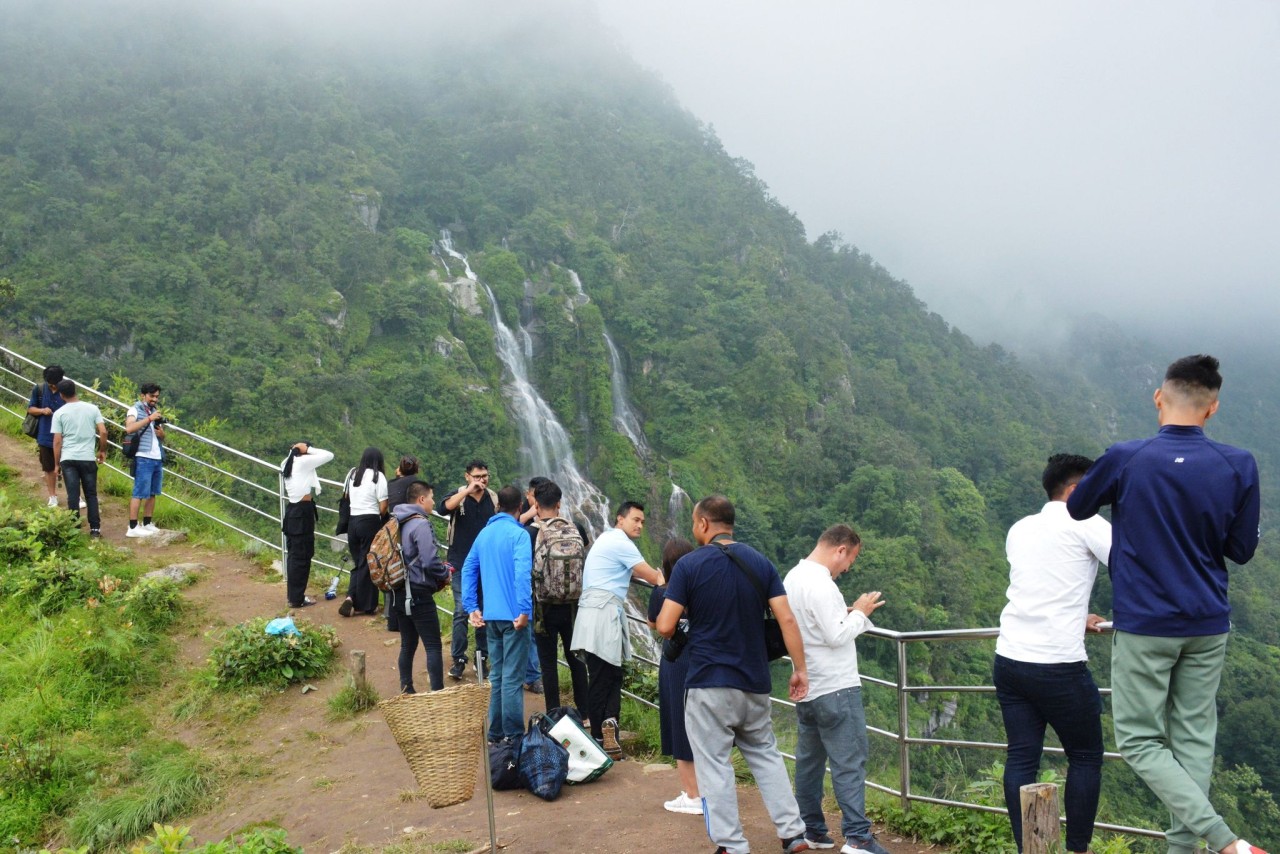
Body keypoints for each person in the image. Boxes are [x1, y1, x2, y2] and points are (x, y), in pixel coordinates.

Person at [1068, 354, 1264, 854]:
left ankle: (1224, 841)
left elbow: (1077, 506)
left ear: (1159, 397)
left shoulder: (1127, 456)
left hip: (1145, 624)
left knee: (1138, 741)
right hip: (1207, 622)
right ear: (1212, 408)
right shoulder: (1238, 464)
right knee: (1195, 740)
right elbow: (1241, 551)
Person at [655, 495, 811, 854]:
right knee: (766, 756)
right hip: (754, 683)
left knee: (714, 764)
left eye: (695, 524)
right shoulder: (761, 562)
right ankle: (792, 834)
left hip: (709, 683)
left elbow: (665, 625)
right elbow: (786, 619)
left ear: (704, 524)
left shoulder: (689, 566)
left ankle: (732, 845)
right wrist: (799, 670)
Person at [995, 454, 1111, 854]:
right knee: (1085, 756)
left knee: (1022, 758)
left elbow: (1042, 583)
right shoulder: (1087, 521)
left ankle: (1032, 848)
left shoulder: (1020, 528)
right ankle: (1077, 849)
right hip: (1058, 664)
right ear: (1077, 490)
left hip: (1010, 659)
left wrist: (1075, 615)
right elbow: (1135, 565)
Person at [785, 525, 890, 854]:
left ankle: (812, 830)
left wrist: (843, 614)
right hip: (837, 688)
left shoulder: (792, 578)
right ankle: (858, 837)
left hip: (808, 686)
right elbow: (836, 636)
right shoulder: (823, 585)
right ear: (840, 550)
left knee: (809, 762)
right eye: (850, 560)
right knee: (849, 762)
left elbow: (808, 623)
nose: (848, 568)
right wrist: (860, 612)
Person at [571, 500, 663, 758]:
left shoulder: (605, 539)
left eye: (643, 521)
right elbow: (653, 577)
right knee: (604, 678)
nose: (640, 525)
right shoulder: (622, 543)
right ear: (620, 520)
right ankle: (602, 734)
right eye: (636, 519)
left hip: (592, 613)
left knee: (608, 675)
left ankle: (608, 729)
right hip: (603, 615)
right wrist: (668, 580)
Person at [461, 485, 533, 743]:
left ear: (497, 506)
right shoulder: (519, 535)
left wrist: (472, 607)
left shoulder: (484, 534)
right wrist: (525, 610)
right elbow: (523, 573)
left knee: (498, 675)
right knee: (513, 678)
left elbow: (467, 569)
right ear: (520, 508)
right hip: (516, 618)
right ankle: (513, 736)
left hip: (491, 616)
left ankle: (495, 734)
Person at [646, 537, 701, 816]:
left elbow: (655, 624)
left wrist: (659, 587)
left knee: (680, 726)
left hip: (677, 661)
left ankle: (693, 796)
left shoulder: (663, 593)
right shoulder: (702, 589)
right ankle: (707, 792)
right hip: (705, 660)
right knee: (704, 726)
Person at [529, 480, 589, 714]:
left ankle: (553, 714)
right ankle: (584, 714)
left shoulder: (532, 532)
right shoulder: (577, 528)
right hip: (573, 605)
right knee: (577, 660)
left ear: (535, 503)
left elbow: (529, 571)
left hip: (544, 607)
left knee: (548, 662)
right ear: (559, 504)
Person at [438, 459, 499, 680]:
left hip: (487, 564)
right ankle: (458, 659)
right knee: (462, 611)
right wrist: (466, 492)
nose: (482, 480)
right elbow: (442, 508)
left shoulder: (493, 498)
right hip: (461, 562)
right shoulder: (458, 496)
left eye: (485, 476)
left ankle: (481, 658)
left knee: (484, 611)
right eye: (477, 476)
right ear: (467, 476)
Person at [392, 480, 450, 694]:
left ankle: (407, 689)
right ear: (421, 499)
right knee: (433, 646)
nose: (434, 502)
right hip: (418, 592)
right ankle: (438, 694)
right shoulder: (420, 524)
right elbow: (429, 561)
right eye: (432, 497)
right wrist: (445, 573)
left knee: (407, 644)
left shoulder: (398, 520)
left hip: (398, 589)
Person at [50, 379, 107, 538]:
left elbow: (57, 441)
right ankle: (95, 530)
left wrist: (56, 464)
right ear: (75, 390)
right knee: (91, 494)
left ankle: (73, 529)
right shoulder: (92, 408)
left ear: (61, 395)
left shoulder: (59, 413)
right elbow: (103, 432)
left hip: (68, 459)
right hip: (88, 458)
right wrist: (102, 451)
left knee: (73, 495)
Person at [280, 441, 333, 609]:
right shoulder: (302, 462)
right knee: (302, 556)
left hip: (292, 511)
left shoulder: (286, 462)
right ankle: (297, 598)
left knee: (295, 556)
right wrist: (308, 449)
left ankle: (294, 596)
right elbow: (328, 455)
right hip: (302, 513)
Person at [338, 447, 389, 617]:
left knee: (359, 562)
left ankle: (351, 598)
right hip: (369, 522)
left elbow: (346, 496)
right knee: (368, 563)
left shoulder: (353, 473)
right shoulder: (378, 476)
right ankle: (366, 606)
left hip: (353, 522)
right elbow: (383, 506)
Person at [384, 455, 425, 632]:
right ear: (416, 469)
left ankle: (393, 621)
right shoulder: (416, 483)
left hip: (392, 531)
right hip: (409, 531)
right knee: (409, 575)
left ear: (399, 469)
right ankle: (411, 620)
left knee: (395, 574)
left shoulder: (391, 484)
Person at [521, 476, 551, 694]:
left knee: (537, 633)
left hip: (546, 586)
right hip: (527, 585)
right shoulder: (523, 519)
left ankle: (534, 675)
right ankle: (532, 676)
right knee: (531, 632)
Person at [124, 383, 166, 538]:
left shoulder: (154, 412)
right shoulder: (135, 409)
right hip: (143, 456)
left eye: (156, 396)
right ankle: (132, 526)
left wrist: (161, 434)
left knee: (153, 492)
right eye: (152, 396)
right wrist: (149, 418)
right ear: (143, 395)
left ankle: (147, 523)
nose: (154, 399)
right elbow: (129, 428)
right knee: (139, 492)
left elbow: (161, 437)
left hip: (156, 456)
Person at [25, 364, 64, 507]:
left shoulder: (66, 389)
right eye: (51, 385)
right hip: (45, 435)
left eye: (56, 385)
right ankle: (52, 496)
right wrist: (42, 410)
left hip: (65, 436)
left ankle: (76, 496)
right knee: (48, 467)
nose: (53, 387)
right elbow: (30, 409)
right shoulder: (39, 389)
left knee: (68, 467)